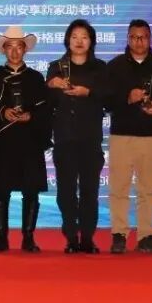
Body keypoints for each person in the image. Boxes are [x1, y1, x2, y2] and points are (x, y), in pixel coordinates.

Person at [106, 19, 152, 254]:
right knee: (119, 187)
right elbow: (105, 101)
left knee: (149, 188)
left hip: (151, 136)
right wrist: (127, 98)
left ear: (150, 39)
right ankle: (119, 234)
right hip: (121, 135)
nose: (139, 42)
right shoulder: (114, 66)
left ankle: (146, 235)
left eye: (143, 37)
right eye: (134, 37)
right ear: (128, 39)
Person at [46, 19, 109, 254]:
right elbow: (46, 103)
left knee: (90, 192)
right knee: (66, 192)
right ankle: (71, 236)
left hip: (90, 138)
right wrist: (51, 85)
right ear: (67, 40)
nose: (79, 41)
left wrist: (88, 92)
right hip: (64, 138)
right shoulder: (56, 67)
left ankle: (88, 238)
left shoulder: (100, 68)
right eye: (74, 37)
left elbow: (109, 98)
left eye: (84, 37)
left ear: (91, 41)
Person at [0, 26, 51, 253]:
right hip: (2, 142)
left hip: (30, 141)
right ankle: (1, 238)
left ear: (25, 49)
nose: (14, 52)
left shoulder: (35, 78)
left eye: (19, 47)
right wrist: (2, 112)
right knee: (1, 190)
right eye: (9, 47)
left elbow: (45, 109)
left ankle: (28, 238)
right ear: (3, 50)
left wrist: (30, 116)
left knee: (31, 190)